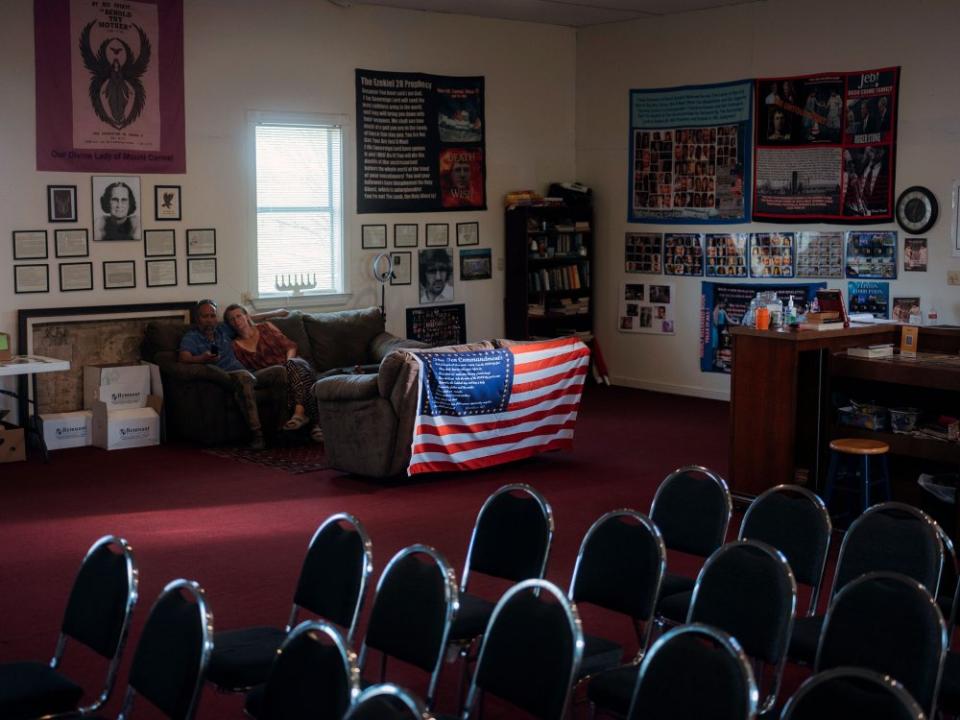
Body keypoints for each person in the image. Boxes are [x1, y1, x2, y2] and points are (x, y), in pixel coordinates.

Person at [178, 300, 287, 450]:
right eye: (205, 316)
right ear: (197, 318)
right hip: (226, 377)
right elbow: (183, 357)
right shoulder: (191, 337)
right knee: (244, 376)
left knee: (279, 371)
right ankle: (257, 435)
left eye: (212, 316)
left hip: (248, 373)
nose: (209, 320)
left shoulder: (222, 330)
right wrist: (201, 358)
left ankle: (281, 429)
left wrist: (275, 313)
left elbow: (246, 319)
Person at [223, 304, 322, 444]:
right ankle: (315, 426)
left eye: (239, 316)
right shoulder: (235, 345)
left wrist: (289, 364)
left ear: (246, 316)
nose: (236, 321)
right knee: (292, 378)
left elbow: (290, 346)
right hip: (274, 375)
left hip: (293, 362)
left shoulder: (266, 327)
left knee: (295, 369)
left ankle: (299, 414)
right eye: (232, 319)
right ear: (229, 324)